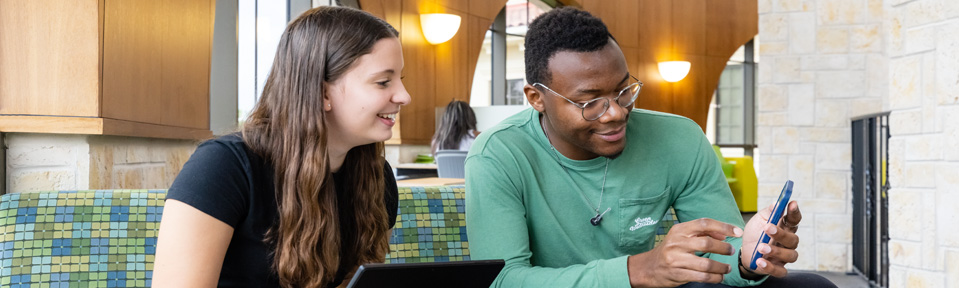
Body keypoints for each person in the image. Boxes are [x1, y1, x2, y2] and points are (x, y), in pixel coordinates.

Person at [464, 7, 835, 288]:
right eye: (589, 101)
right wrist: (638, 269)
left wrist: (747, 258)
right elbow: (504, 280)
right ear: (536, 98)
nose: (615, 113)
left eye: (623, 90)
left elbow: (717, 249)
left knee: (813, 285)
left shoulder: (679, 139)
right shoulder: (499, 155)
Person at [152, 6, 410, 288]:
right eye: (383, 82)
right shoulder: (223, 167)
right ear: (324, 93)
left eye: (400, 79)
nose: (404, 96)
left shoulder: (375, 175)